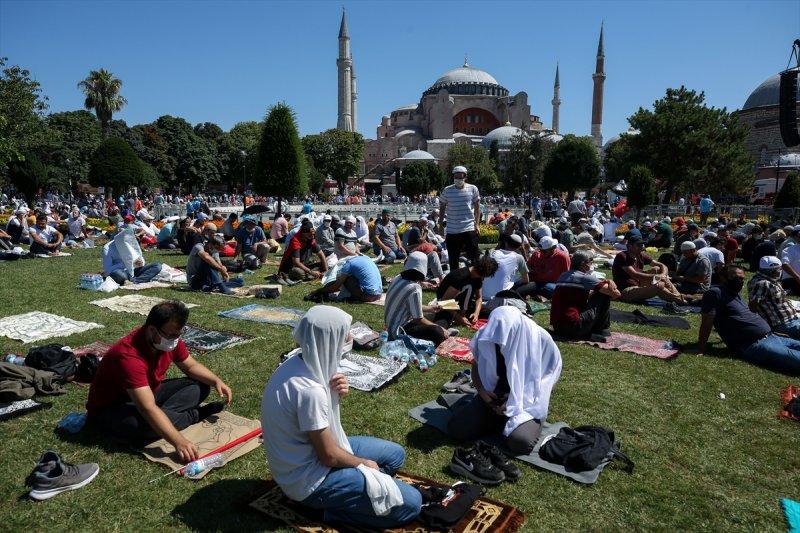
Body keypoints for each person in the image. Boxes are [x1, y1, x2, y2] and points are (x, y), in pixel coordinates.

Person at [261, 306, 421, 528]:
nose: (351, 338)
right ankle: (328, 511)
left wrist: (335, 390)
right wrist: (363, 464)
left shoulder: (297, 361)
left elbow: (313, 415)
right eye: (345, 333)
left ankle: (355, 493)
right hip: (307, 480)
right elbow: (328, 456)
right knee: (412, 505)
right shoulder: (309, 390)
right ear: (329, 341)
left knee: (395, 455)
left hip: (305, 457)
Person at [86, 301, 233, 456]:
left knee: (201, 386)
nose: (175, 340)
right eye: (170, 335)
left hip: (148, 393)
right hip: (112, 409)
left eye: (178, 334)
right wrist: (179, 442)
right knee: (142, 423)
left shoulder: (168, 339)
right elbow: (147, 408)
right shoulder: (128, 356)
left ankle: (165, 417)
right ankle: (192, 415)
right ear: (151, 330)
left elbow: (190, 366)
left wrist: (216, 381)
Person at [447, 306, 562, 454]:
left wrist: (517, 400)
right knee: (456, 429)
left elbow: (550, 376)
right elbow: (476, 366)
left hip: (527, 401)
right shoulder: (487, 335)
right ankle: (495, 418)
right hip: (493, 396)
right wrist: (484, 394)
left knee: (520, 442)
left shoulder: (540, 339)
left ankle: (509, 422)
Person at [698, 265, 800, 374]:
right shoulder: (714, 293)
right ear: (723, 278)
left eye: (742, 279)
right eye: (737, 278)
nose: (741, 281)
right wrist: (701, 349)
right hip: (754, 345)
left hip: (773, 336)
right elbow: (707, 322)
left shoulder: (734, 294)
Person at [384, 252, 451, 346]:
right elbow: (418, 319)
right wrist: (438, 327)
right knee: (438, 330)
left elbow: (411, 306)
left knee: (437, 318)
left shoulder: (398, 277)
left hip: (391, 326)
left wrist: (431, 308)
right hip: (400, 332)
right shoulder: (414, 288)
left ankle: (443, 329)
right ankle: (445, 331)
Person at [550, 251, 621, 340]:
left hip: (557, 327)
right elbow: (616, 294)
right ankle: (601, 329)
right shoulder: (584, 277)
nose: (592, 264)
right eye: (590, 261)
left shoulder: (563, 275)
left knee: (598, 292)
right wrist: (610, 281)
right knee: (603, 295)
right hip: (574, 327)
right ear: (583, 264)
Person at [612, 235, 686, 304]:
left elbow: (662, 265)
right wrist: (657, 277)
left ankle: (679, 296)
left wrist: (662, 275)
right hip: (626, 290)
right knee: (658, 287)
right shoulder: (622, 256)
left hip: (640, 284)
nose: (641, 247)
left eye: (642, 245)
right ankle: (681, 300)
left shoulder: (640, 255)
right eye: (638, 245)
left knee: (657, 269)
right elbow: (634, 274)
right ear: (629, 246)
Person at [434, 252, 498, 328]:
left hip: (464, 306)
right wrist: (458, 317)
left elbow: (479, 298)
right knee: (440, 326)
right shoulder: (460, 277)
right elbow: (445, 301)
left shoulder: (478, 278)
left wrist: (476, 313)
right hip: (448, 307)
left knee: (493, 314)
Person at [439, 166, 481, 271]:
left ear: (465, 177)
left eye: (460, 177)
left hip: (469, 228)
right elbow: (442, 207)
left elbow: (477, 208)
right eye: (456, 177)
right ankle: (455, 283)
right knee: (453, 260)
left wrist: (477, 224)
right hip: (453, 230)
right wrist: (440, 224)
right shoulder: (447, 190)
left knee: (474, 258)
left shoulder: (473, 189)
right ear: (453, 177)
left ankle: (476, 281)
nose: (458, 179)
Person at [748, 256, 800, 339]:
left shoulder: (769, 280)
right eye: (779, 269)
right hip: (784, 323)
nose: (781, 271)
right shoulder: (762, 283)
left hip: (791, 320)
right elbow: (753, 305)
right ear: (773, 271)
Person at [314, 255, 383, 303]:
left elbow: (335, 287)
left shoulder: (348, 264)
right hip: (379, 295)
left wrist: (318, 291)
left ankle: (351, 297)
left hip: (368, 296)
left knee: (346, 279)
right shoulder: (365, 259)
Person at [482, 234, 530, 301]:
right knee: (531, 284)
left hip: (484, 295)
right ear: (519, 246)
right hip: (501, 297)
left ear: (506, 243)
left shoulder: (492, 252)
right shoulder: (519, 257)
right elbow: (526, 280)